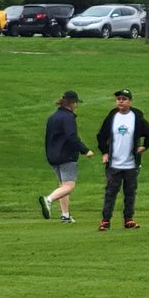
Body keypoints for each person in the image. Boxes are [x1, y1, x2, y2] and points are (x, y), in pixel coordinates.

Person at [95, 89, 149, 231]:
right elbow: (101, 136)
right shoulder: (112, 116)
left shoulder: (137, 117)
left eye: (124, 99)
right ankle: (105, 221)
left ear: (130, 101)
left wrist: (144, 147)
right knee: (110, 192)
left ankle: (128, 219)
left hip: (131, 163)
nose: (121, 101)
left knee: (130, 193)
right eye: (118, 99)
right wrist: (105, 152)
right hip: (114, 163)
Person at [39, 90, 94, 224]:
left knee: (62, 186)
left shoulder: (53, 117)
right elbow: (71, 136)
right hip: (66, 155)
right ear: (72, 103)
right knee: (69, 186)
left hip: (53, 155)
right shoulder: (68, 117)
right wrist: (85, 150)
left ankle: (65, 215)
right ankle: (48, 200)